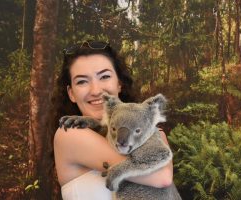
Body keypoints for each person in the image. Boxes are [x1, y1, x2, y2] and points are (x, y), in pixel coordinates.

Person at [52, 41, 173, 200]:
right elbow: (161, 177)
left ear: (119, 83)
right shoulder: (69, 134)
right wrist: (153, 133)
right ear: (71, 93)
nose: (96, 91)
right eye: (82, 81)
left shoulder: (135, 129)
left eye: (104, 76)